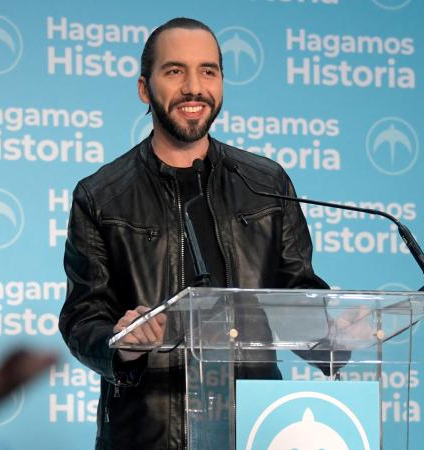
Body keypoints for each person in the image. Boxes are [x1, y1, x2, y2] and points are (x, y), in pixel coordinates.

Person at [58, 17, 328, 450]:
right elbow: (82, 318)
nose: (193, 87)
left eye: (208, 71)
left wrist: (338, 328)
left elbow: (298, 292)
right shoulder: (102, 196)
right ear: (144, 88)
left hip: (253, 429)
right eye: (174, 71)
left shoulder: (266, 183)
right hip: (146, 433)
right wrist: (121, 344)